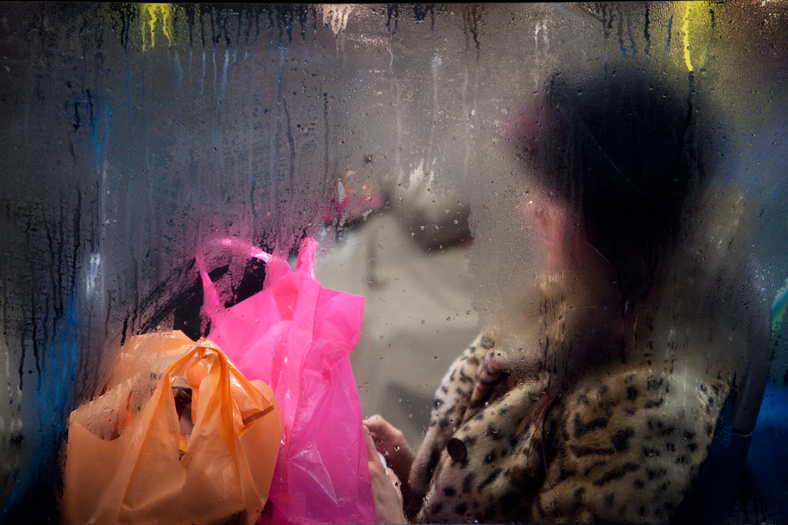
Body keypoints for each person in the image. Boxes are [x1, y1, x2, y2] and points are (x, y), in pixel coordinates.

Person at [361, 68, 767, 523]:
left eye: (555, 191)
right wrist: (410, 471)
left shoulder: (648, 412)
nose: (529, 208)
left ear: (620, 217)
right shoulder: (568, 301)